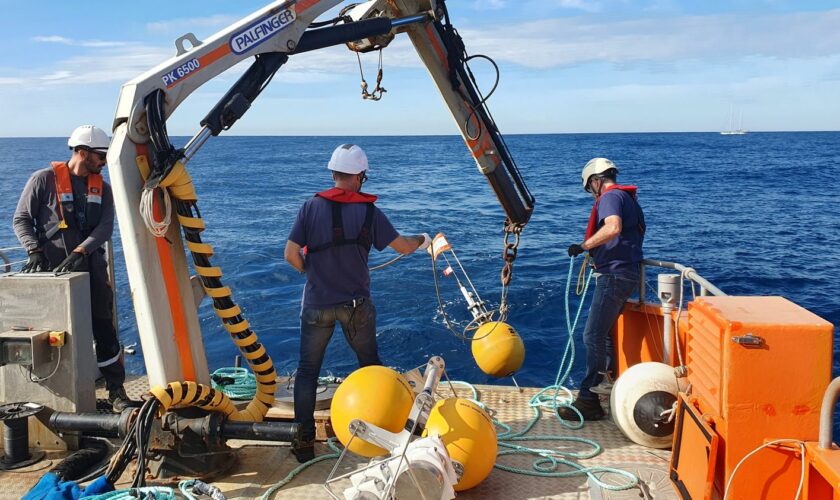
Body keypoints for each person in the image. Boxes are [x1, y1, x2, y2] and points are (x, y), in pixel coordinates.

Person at [284, 144, 431, 462]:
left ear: (334, 173)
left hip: (317, 304)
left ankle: (302, 444)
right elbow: (404, 247)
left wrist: (312, 272)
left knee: (307, 372)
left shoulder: (310, 207)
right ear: (360, 177)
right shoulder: (369, 213)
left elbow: (290, 255)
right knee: (370, 367)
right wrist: (424, 239)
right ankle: (380, 434)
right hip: (356, 306)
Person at [13, 125, 136, 413]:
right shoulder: (42, 180)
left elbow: (105, 227)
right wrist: (33, 249)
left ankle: (116, 391)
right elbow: (21, 219)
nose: (104, 162)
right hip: (50, 274)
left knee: (104, 330)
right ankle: (50, 394)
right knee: (50, 333)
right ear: (82, 153)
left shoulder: (103, 189)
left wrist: (82, 251)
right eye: (100, 155)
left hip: (91, 270)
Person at [560, 157, 645, 421]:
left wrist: (584, 246)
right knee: (605, 334)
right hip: (627, 273)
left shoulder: (610, 197)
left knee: (591, 334)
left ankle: (589, 400)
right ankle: (607, 390)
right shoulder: (627, 198)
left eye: (590, 187)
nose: (591, 193)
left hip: (614, 275)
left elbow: (613, 227)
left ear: (596, 181)